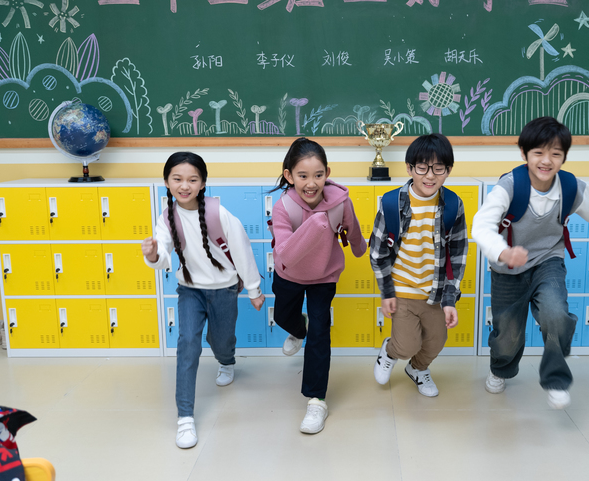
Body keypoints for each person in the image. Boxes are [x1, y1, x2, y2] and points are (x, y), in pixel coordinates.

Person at [472, 116, 589, 409]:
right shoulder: (510, 186)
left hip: (548, 261)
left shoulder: (570, 187)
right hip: (508, 268)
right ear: (524, 153)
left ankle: (556, 380)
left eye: (556, 154)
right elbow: (481, 225)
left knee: (556, 315)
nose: (546, 161)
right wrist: (503, 252)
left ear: (564, 157)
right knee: (507, 335)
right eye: (538, 153)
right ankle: (500, 370)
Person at [142, 152, 264, 449]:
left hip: (224, 289)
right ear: (166, 182)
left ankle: (227, 361)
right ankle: (185, 417)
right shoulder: (166, 217)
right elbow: (164, 254)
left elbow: (242, 249)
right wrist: (154, 255)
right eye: (177, 179)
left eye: (192, 179)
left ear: (203, 183)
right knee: (188, 344)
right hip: (190, 291)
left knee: (221, 341)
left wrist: (253, 289)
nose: (184, 186)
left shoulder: (218, 213)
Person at [270, 137, 366, 434]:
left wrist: (360, 248)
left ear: (327, 173)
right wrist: (315, 225)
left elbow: (352, 229)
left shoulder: (340, 201)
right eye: (303, 176)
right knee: (283, 317)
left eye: (318, 175)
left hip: (324, 275)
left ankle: (317, 400)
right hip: (289, 273)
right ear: (289, 176)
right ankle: (299, 329)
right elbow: (285, 252)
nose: (311, 183)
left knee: (320, 332)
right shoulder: (283, 207)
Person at [370, 133, 468, 397]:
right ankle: (390, 352)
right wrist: (387, 292)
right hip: (402, 289)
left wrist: (450, 298)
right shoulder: (391, 203)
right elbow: (378, 252)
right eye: (422, 167)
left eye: (439, 168)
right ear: (409, 168)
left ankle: (417, 369)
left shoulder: (453, 205)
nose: (430, 176)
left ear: (448, 170)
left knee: (436, 342)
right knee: (406, 345)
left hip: (434, 293)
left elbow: (457, 255)